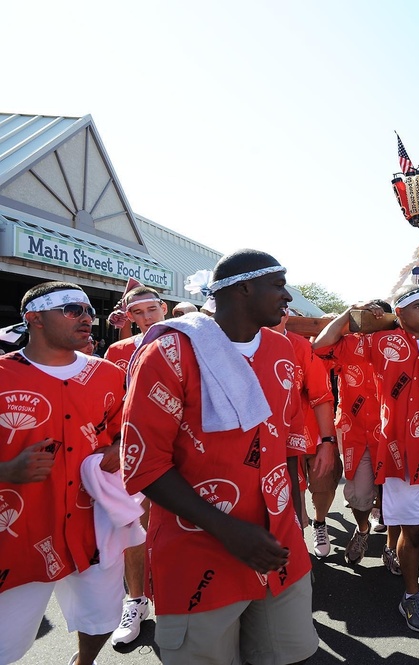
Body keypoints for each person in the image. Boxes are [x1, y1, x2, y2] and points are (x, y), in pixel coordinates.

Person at [120, 249, 318, 663]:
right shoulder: (169, 354)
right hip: (200, 558)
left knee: (288, 656)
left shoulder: (283, 351)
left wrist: (296, 523)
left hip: (280, 549)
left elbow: (286, 450)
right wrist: (229, 531)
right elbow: (145, 465)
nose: (288, 298)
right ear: (244, 288)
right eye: (279, 285)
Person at [317, 285, 419, 632]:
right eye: (417, 306)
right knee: (412, 531)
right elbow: (322, 347)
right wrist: (350, 313)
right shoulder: (380, 343)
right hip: (400, 453)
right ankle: (411, 595)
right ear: (399, 314)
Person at [0, 282, 127, 665]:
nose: (87, 318)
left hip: (93, 527)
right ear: (34, 318)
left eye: (89, 310)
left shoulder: (107, 375)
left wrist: (119, 449)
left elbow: (127, 430)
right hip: (17, 534)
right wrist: (6, 469)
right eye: (72, 309)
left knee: (103, 616)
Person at [103, 285, 169, 646]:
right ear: (128, 316)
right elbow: (109, 402)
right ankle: (136, 600)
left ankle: (178, 597)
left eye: (151, 310)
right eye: (137, 313)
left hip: (179, 449)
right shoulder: (117, 351)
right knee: (135, 526)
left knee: (179, 523)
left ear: (164, 308)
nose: (146, 318)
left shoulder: (185, 342)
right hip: (134, 450)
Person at [314, 300, 397, 570]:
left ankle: (392, 547)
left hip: (395, 434)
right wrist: (348, 312)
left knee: (394, 497)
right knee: (359, 495)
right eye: (369, 315)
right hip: (356, 431)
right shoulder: (350, 343)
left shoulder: (401, 343)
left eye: (380, 316)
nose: (374, 320)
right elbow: (319, 347)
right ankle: (362, 531)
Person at [272, 308, 340, 559]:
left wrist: (328, 442)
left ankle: (320, 523)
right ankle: (297, 553)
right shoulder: (246, 342)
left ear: (287, 316)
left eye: (281, 311)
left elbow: (321, 395)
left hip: (311, 431)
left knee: (323, 485)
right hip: (275, 439)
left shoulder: (300, 346)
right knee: (290, 496)